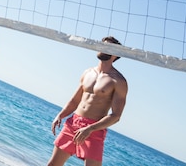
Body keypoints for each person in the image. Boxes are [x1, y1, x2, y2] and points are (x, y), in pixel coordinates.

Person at [47, 36, 128, 166]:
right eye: (102, 44)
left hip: (94, 129)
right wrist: (60, 115)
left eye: (107, 46)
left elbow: (116, 116)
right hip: (73, 123)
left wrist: (90, 128)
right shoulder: (88, 72)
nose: (102, 47)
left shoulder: (118, 81)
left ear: (115, 54)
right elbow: (75, 100)